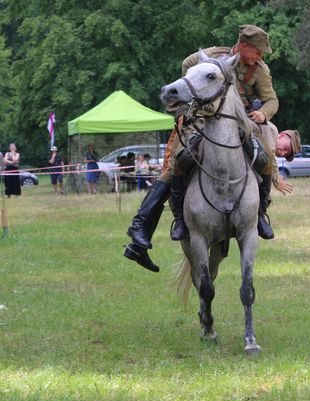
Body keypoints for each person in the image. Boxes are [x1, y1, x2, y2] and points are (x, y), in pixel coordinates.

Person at [124, 24, 294, 272]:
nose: (261, 56)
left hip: (242, 122)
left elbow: (272, 100)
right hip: (201, 119)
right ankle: (148, 227)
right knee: (179, 163)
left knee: (265, 157)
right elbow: (187, 71)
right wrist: (193, 103)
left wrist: (262, 113)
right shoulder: (212, 56)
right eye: (258, 51)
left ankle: (259, 215)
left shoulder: (260, 70)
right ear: (244, 46)